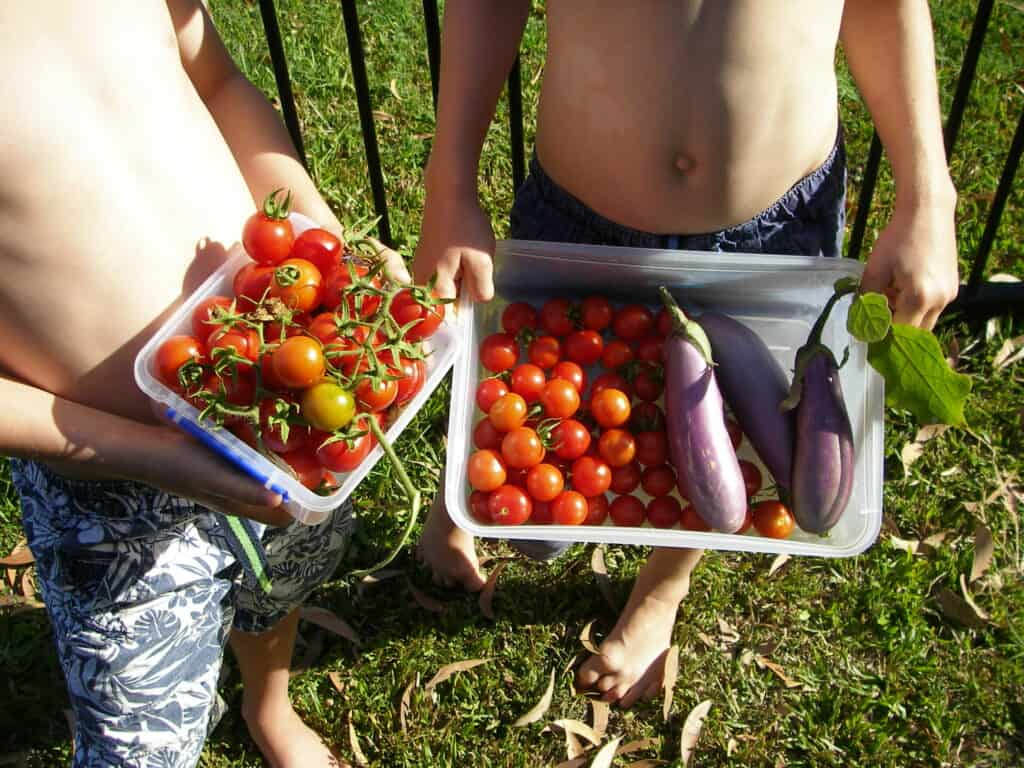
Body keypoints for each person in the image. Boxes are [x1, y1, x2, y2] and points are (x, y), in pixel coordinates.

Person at [413, 0, 959, 708]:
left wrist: (929, 193)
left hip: (777, 224)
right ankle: (466, 504)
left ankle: (664, 585)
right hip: (578, 211)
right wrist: (449, 180)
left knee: (726, 446)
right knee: (541, 447)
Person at [0, 2, 409, 766]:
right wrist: (145, 453)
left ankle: (267, 703)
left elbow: (217, 81)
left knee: (280, 577)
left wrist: (320, 240)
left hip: (289, 402)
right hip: (110, 486)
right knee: (139, 733)